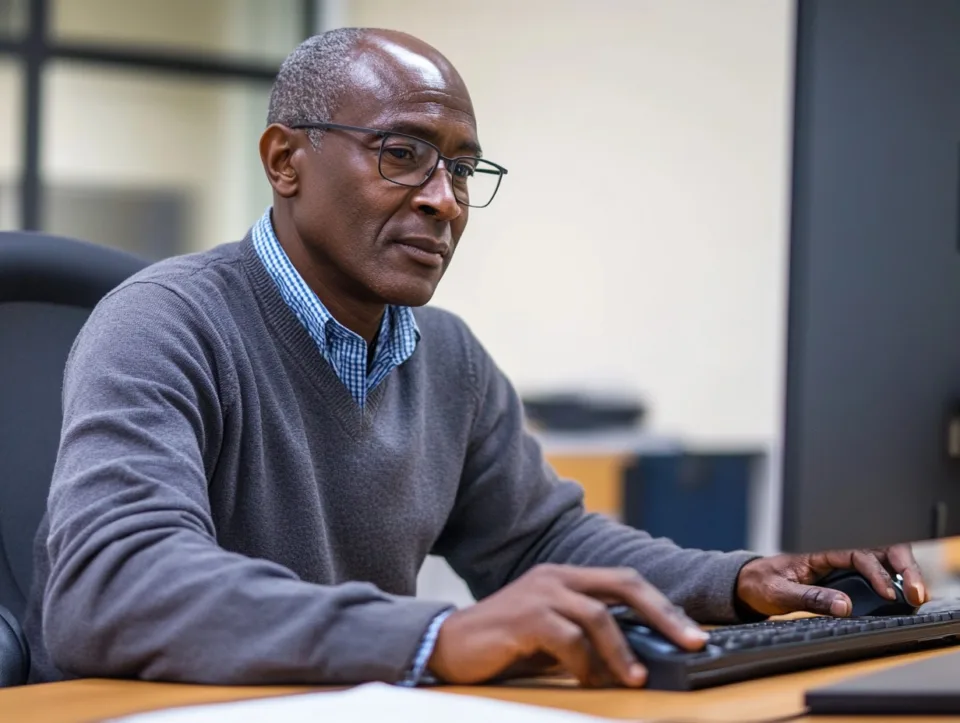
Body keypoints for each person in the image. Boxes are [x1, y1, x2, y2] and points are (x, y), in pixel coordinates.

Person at [24, 27, 927, 689]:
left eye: (462, 170)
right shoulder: (164, 322)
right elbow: (115, 582)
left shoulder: (446, 355)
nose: (444, 201)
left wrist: (736, 580)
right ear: (285, 160)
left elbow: (542, 540)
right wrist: (435, 636)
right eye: (403, 154)